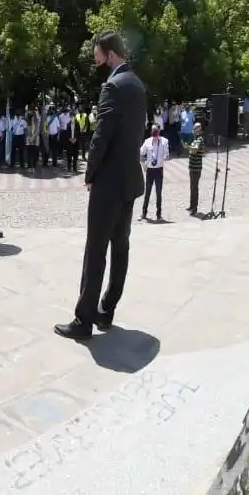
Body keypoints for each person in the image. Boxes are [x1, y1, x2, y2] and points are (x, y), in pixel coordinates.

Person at [55, 31, 147, 341]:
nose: (96, 60)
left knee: (95, 250)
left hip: (109, 181)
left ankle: (83, 321)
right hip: (130, 178)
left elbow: (101, 136)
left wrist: (90, 173)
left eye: (98, 54)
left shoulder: (113, 86)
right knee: (120, 247)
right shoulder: (137, 84)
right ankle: (106, 309)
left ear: (110, 54)